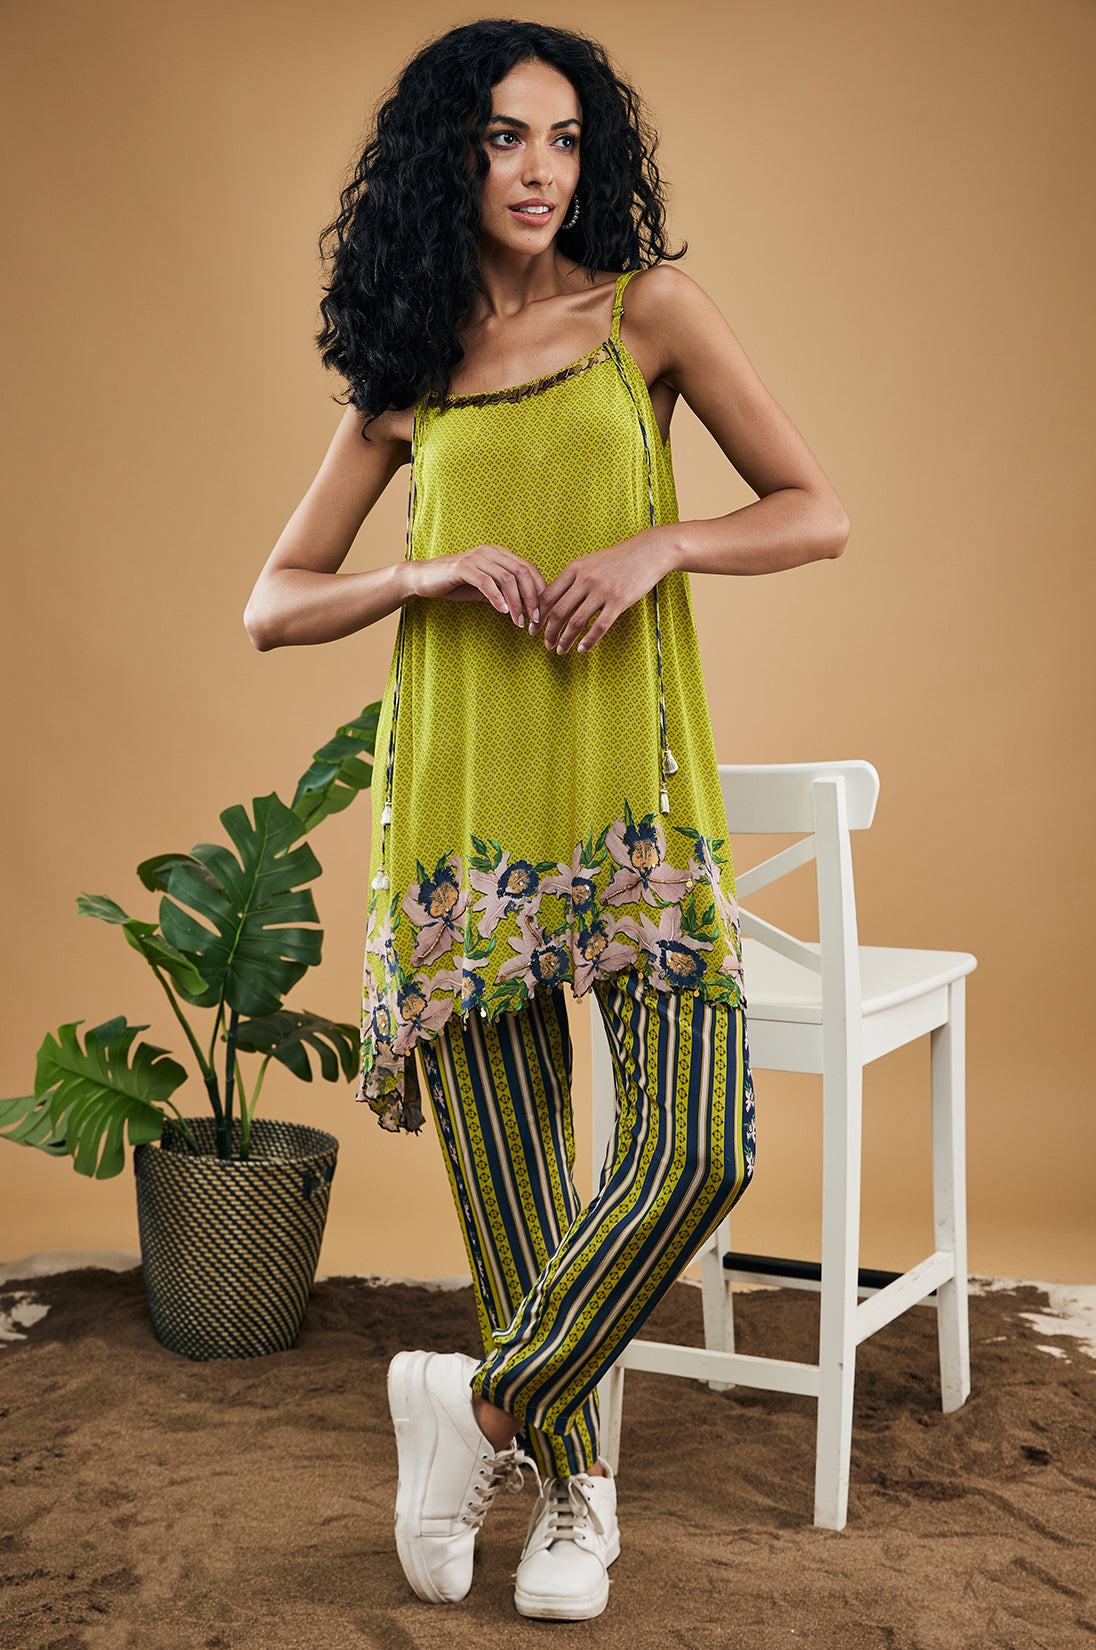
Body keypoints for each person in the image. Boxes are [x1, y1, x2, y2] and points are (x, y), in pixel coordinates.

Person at [245, 17, 848, 1621]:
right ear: (446, 156)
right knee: (517, 1206)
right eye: (507, 136)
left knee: (697, 1144)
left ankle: (480, 1407)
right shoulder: (411, 366)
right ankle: (577, 1501)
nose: (540, 169)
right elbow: (272, 603)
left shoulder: (646, 313)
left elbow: (817, 509)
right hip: (464, 821)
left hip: (634, 809)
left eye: (567, 139)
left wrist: (664, 544)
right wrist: (424, 570)